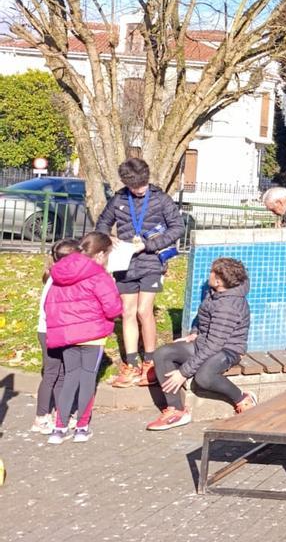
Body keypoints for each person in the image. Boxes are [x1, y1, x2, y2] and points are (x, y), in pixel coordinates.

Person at [96, 157, 185, 388]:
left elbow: (178, 227)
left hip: (151, 261)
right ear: (126, 183)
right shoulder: (118, 199)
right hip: (125, 263)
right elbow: (103, 223)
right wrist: (108, 238)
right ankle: (132, 363)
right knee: (127, 311)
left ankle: (150, 362)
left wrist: (150, 245)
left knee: (144, 311)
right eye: (135, 186)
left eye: (142, 185)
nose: (139, 190)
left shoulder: (160, 199)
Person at [146, 256, 255, 430]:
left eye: (211, 273)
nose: (208, 276)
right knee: (163, 353)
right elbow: (204, 317)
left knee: (204, 377)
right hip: (206, 342)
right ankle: (177, 411)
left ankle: (242, 398)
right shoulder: (216, 292)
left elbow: (214, 346)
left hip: (227, 350)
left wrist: (183, 372)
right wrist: (194, 333)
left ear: (218, 281)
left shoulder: (228, 306)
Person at [43, 232, 121, 444]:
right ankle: (81, 427)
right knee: (87, 380)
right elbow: (113, 308)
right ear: (100, 254)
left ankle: (59, 428)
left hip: (67, 335)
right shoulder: (99, 275)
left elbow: (49, 304)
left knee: (69, 378)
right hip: (93, 335)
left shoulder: (58, 273)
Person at [32, 238, 81, 434]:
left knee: (59, 374)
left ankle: (61, 414)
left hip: (55, 331)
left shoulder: (58, 276)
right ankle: (41, 417)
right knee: (52, 374)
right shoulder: (57, 279)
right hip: (50, 331)